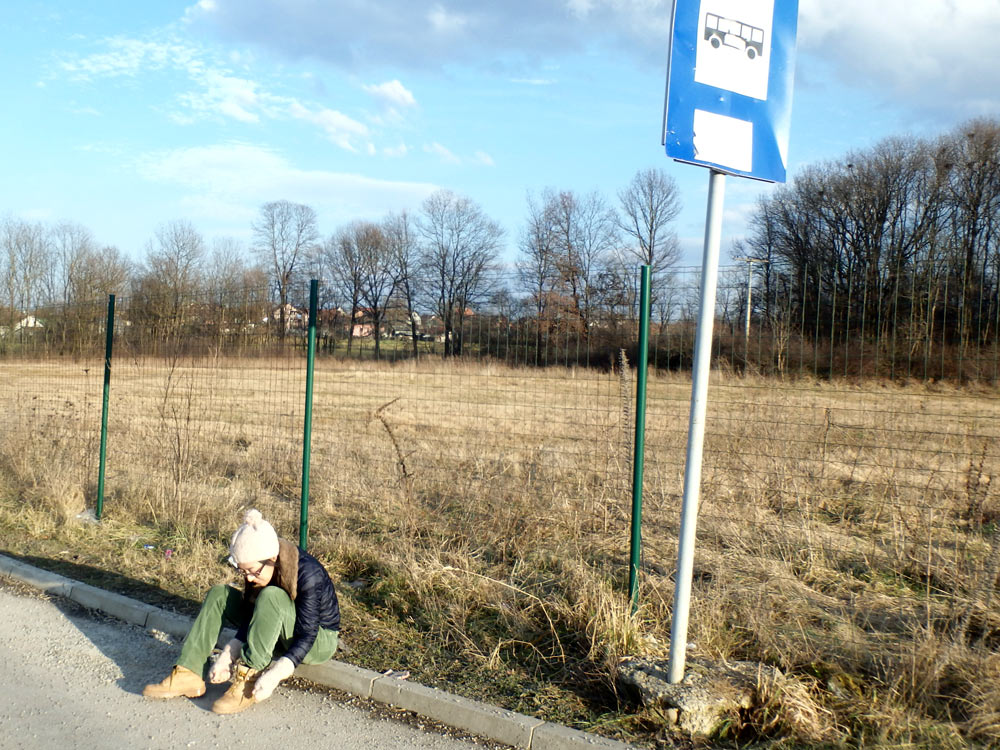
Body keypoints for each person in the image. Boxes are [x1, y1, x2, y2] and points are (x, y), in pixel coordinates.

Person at [143, 509, 340, 714]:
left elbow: (307, 634)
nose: (249, 579)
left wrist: (275, 674)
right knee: (220, 594)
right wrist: (228, 654)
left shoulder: (308, 574)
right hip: (279, 626)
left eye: (253, 572)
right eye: (242, 571)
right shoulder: (258, 568)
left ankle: (248, 677)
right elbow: (254, 614)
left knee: (271, 595)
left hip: (317, 640)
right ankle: (188, 672)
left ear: (272, 557)